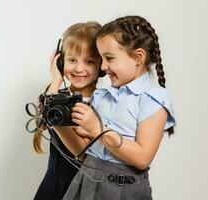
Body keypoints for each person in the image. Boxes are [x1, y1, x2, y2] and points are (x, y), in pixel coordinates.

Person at [60, 15, 176, 200]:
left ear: (138, 57)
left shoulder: (153, 99)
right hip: (86, 181)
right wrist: (59, 121)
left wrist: (97, 129)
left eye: (109, 58)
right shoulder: (101, 96)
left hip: (124, 190)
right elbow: (81, 153)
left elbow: (143, 157)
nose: (103, 66)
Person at [33, 21, 103, 200]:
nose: (79, 69)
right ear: (61, 60)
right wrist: (56, 79)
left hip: (90, 189)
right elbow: (40, 124)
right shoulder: (56, 94)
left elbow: (86, 154)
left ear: (101, 65)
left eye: (89, 61)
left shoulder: (106, 102)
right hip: (55, 187)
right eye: (72, 60)